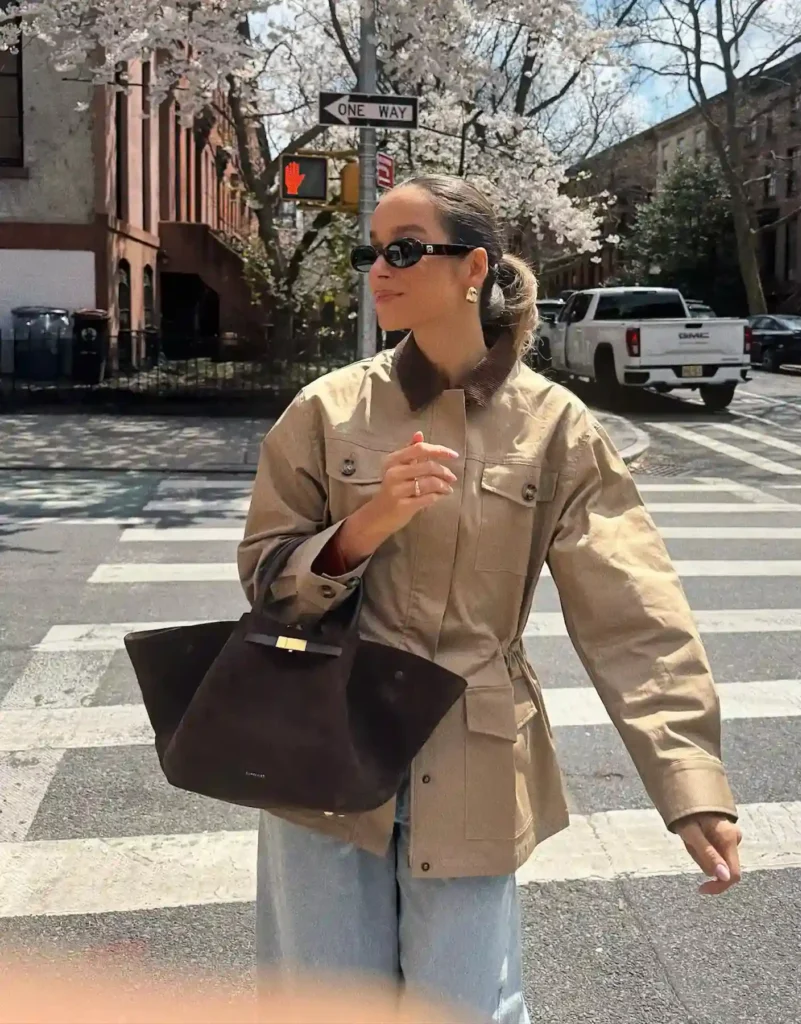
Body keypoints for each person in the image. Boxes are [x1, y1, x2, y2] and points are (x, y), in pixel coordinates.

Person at [238, 174, 742, 1024]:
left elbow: (633, 612)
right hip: (324, 741)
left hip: (471, 749)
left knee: (463, 1008)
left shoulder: (555, 428)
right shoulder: (326, 411)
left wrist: (689, 780)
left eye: (404, 250)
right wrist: (365, 526)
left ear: (473, 267)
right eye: (372, 252)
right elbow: (265, 579)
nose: (378, 270)